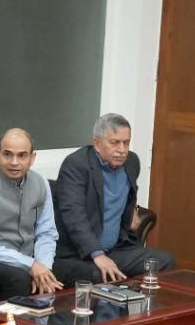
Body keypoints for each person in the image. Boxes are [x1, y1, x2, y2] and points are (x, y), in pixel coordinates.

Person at [53, 113, 175, 284]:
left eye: (126, 143)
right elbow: (73, 214)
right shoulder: (77, 164)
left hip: (116, 249)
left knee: (164, 261)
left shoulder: (132, 162)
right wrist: (97, 254)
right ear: (97, 143)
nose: (122, 150)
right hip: (77, 254)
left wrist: (132, 211)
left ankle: (141, 302)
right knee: (99, 274)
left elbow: (125, 196)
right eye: (114, 142)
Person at [0, 128, 63, 302]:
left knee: (81, 271)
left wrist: (44, 267)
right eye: (7, 154)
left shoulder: (41, 183)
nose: (14, 162)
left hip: (29, 258)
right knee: (19, 278)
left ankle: (60, 320)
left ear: (32, 158)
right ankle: (15, 322)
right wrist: (30, 265)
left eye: (22, 155)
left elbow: (46, 233)